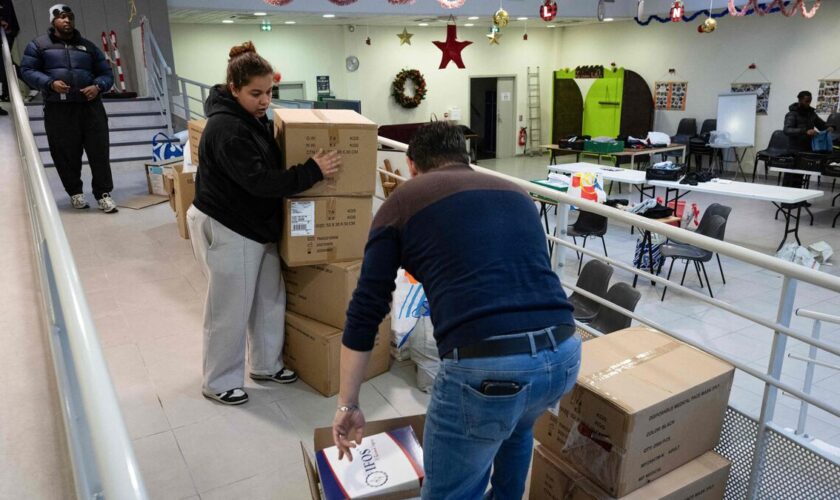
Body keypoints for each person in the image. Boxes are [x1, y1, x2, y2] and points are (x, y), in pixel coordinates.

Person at [332, 122, 579, 499]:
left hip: (488, 370)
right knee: (516, 428)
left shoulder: (404, 199)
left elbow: (367, 308)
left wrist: (347, 403)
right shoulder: (515, 192)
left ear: (412, 165)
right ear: (466, 158)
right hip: (562, 355)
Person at [188, 41, 341, 406]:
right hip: (229, 224)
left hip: (257, 224)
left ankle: (266, 364)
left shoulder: (251, 119)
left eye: (269, 91)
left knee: (269, 298)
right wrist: (311, 171)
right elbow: (258, 181)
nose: (264, 100)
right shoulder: (227, 128)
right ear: (234, 88)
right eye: (255, 93)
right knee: (230, 307)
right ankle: (218, 380)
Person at [20, 4, 118, 213]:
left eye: (70, 17)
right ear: (52, 21)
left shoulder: (88, 47)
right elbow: (27, 70)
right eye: (62, 17)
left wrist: (98, 86)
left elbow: (106, 73)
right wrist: (49, 83)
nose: (67, 20)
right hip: (59, 109)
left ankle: (103, 194)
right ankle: (75, 193)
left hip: (91, 108)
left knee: (99, 153)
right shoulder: (38, 45)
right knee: (66, 154)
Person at [0, 0, 20, 115]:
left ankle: (5, 92)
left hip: (6, 32)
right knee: (6, 63)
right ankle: (5, 92)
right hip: (7, 31)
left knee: (4, 63)